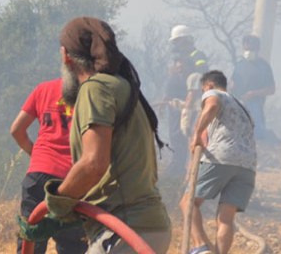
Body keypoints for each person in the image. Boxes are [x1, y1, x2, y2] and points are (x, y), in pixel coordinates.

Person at [20, 16, 172, 253]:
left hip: (124, 229)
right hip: (148, 228)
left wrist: (55, 205)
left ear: (65, 56)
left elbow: (93, 164)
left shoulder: (95, 88)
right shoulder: (121, 86)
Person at [179, 70, 257, 254]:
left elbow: (211, 106)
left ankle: (200, 246)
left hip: (222, 157)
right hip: (248, 165)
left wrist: (196, 134)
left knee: (187, 202)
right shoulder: (242, 106)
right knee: (226, 218)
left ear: (208, 85)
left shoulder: (213, 93)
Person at [10, 78, 87, 254]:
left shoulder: (43, 89)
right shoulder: (91, 92)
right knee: (73, 247)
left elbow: (16, 130)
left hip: (38, 176)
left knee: (31, 243)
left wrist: (36, 155)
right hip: (73, 181)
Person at [163, 24, 209, 175]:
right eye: (174, 42)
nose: (175, 45)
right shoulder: (177, 58)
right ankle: (177, 164)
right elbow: (172, 78)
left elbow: (199, 76)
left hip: (188, 104)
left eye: (178, 41)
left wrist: (188, 104)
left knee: (184, 134)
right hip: (174, 104)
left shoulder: (198, 56)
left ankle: (182, 167)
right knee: (174, 134)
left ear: (186, 40)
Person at [229, 35, 276, 140]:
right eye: (246, 49)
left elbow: (271, 89)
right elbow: (233, 82)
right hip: (237, 101)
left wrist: (253, 94)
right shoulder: (240, 64)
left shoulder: (264, 66)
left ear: (257, 49)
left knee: (256, 131)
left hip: (254, 103)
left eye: (251, 49)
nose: (248, 51)